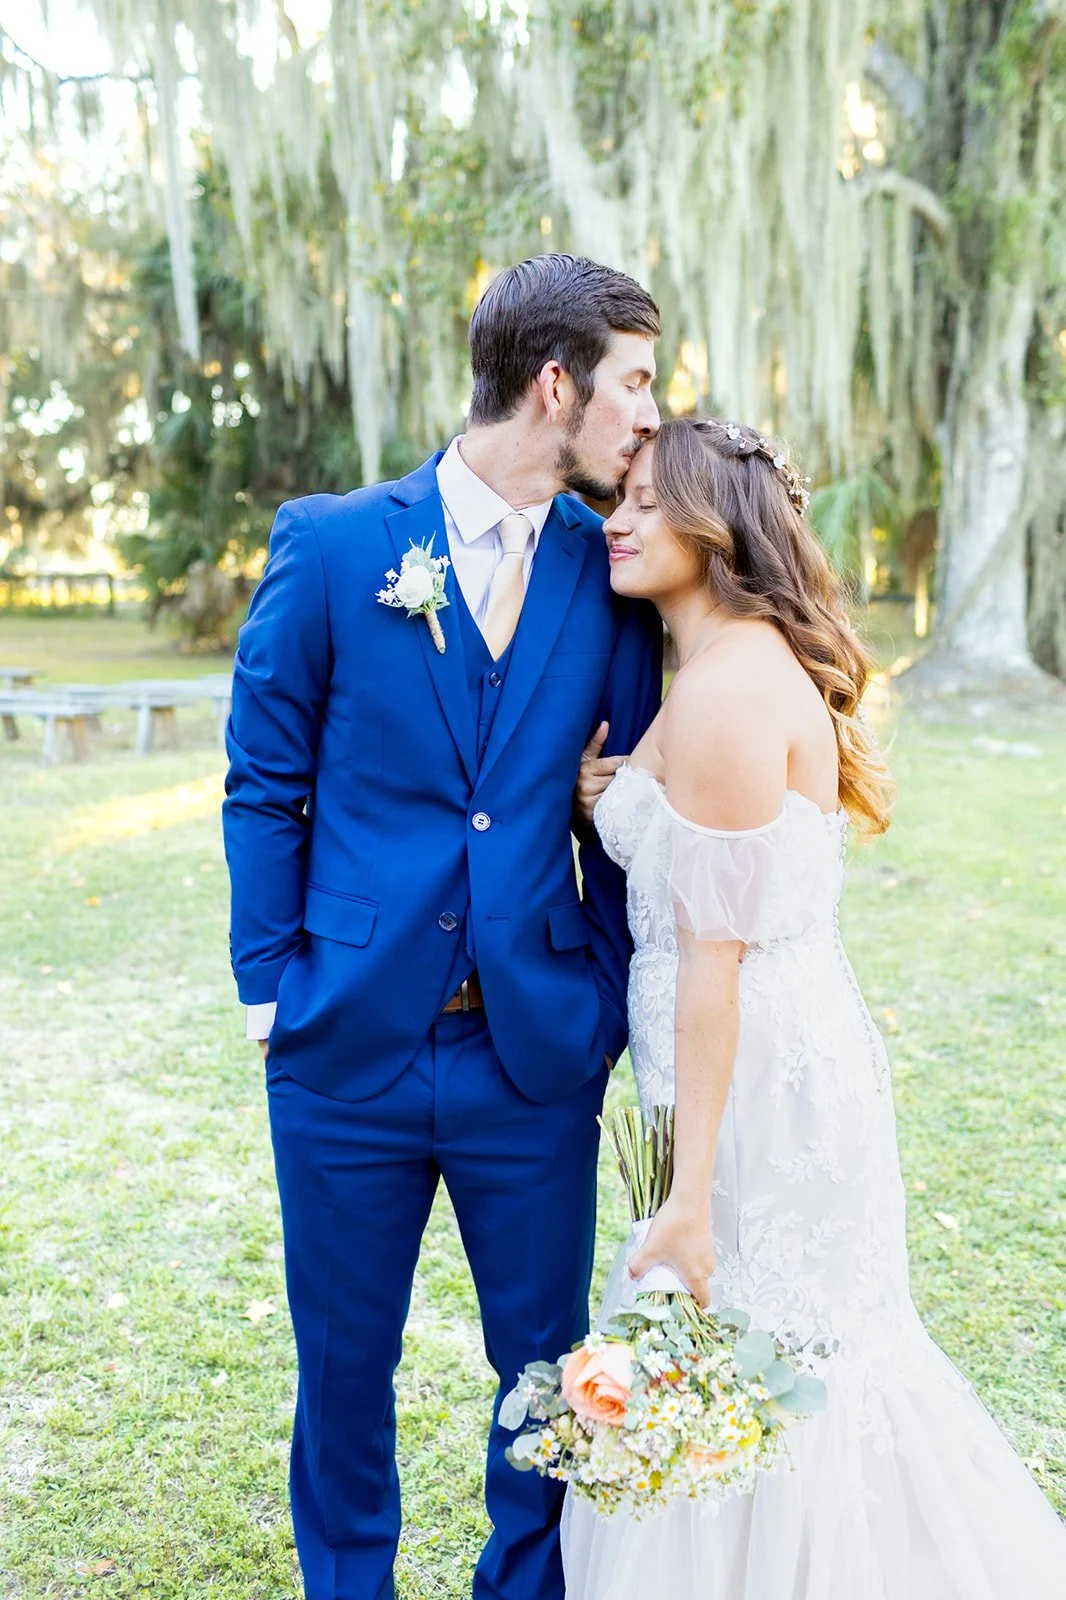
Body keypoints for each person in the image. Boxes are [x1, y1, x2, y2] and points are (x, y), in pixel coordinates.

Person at [221, 254, 664, 1600]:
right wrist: (269, 991)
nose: (647, 417)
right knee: (342, 1363)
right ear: (555, 386)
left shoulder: (613, 570)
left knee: (541, 1370)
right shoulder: (338, 543)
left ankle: (522, 1583)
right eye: (632, 383)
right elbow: (262, 777)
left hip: (529, 1052)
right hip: (340, 1046)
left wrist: (595, 990)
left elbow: (627, 788)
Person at [563, 416, 1066, 1598]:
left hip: (750, 1082)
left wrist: (683, 1198)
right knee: (758, 1361)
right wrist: (615, 790)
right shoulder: (717, 670)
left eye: (644, 499)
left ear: (716, 525)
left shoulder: (730, 688)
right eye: (614, 497)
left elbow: (711, 958)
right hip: (754, 1056)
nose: (615, 520)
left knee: (763, 1359)